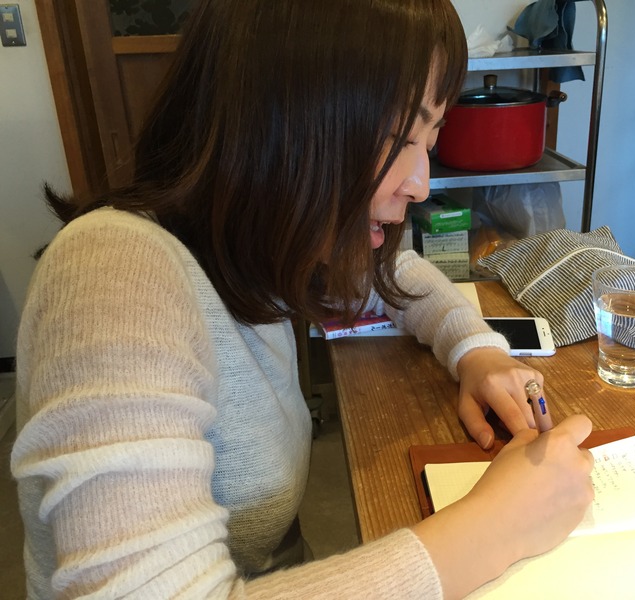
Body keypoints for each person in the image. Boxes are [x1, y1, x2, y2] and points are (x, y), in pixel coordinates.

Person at [11, 0, 595, 597]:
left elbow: (396, 274)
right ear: (277, 118)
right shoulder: (111, 272)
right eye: (400, 137)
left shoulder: (261, 248)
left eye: (432, 138)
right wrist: (495, 527)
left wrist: (478, 352)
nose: (420, 185)